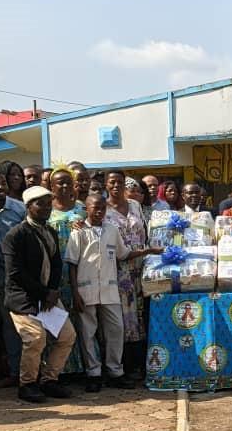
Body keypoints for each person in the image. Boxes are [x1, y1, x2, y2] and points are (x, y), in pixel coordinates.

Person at [66, 195, 160, 392]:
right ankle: (93, 373)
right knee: (88, 333)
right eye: (95, 208)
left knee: (116, 329)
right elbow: (72, 264)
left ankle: (115, 372)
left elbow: (123, 254)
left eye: (102, 208)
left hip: (109, 289)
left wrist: (148, 251)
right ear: (86, 209)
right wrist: (75, 292)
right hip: (86, 289)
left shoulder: (112, 230)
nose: (99, 212)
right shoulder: (79, 232)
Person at [2, 186, 76, 403]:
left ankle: (49, 379)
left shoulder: (50, 232)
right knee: (35, 338)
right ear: (28, 207)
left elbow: (56, 264)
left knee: (67, 335)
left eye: (48, 203)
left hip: (47, 297)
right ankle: (27, 384)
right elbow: (16, 273)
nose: (46, 208)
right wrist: (44, 293)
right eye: (39, 203)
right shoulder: (16, 235)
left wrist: (51, 291)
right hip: (23, 298)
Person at [105, 170, 149, 379]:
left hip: (141, 266)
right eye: (112, 182)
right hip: (117, 269)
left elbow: (145, 233)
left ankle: (143, 362)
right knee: (123, 316)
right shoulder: (102, 209)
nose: (116, 186)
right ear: (106, 185)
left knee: (141, 313)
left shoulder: (135, 205)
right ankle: (125, 364)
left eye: (120, 182)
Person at [0, 169, 26, 389]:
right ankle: (15, 372)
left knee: (31, 324)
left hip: (24, 277)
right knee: (10, 326)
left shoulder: (20, 209)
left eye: (3, 183)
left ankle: (34, 371)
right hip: (0, 278)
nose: (1, 187)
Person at [47, 167, 87, 376]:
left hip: (80, 269)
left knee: (80, 318)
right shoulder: (46, 209)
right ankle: (57, 370)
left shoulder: (82, 209)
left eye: (68, 182)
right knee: (56, 320)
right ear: (51, 186)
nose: (64, 186)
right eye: (59, 182)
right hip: (54, 271)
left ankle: (80, 368)